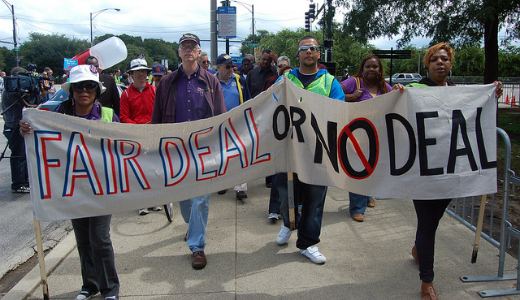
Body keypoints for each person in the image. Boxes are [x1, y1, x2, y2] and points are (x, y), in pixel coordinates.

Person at [394, 42, 503, 300]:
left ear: (450, 64)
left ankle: (418, 250)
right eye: (435, 60)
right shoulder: (413, 90)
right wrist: (397, 94)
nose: (440, 63)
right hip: (424, 171)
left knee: (434, 219)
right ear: (427, 65)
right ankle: (427, 281)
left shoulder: (458, 93)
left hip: (451, 171)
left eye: (444, 59)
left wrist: (492, 93)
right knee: (428, 223)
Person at [20, 64, 120, 300]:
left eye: (89, 87)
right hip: (73, 187)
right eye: (79, 87)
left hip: (101, 187)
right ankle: (90, 285)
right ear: (72, 91)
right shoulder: (56, 117)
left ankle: (110, 289)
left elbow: (123, 146)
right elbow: (35, 128)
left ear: (96, 91)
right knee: (83, 239)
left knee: (100, 239)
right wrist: (27, 128)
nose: (84, 91)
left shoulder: (108, 115)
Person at [152, 33, 226, 270]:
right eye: (184, 46)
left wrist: (220, 146)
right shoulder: (166, 82)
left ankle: (197, 246)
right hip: (176, 150)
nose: (188, 50)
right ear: (179, 52)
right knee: (184, 197)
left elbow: (221, 116)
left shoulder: (211, 82)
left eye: (192, 46)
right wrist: (155, 146)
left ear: (198, 52)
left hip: (203, 149)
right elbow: (157, 118)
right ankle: (193, 226)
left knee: (200, 198)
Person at [273, 36, 345, 264]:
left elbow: (339, 111)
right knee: (286, 193)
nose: (308, 52)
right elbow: (271, 103)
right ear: (298, 55)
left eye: (312, 49)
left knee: (314, 198)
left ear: (318, 54)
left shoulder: (330, 82)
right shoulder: (285, 79)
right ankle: (288, 222)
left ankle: (308, 242)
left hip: (318, 151)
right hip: (289, 150)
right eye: (304, 49)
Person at [341, 54, 391, 222]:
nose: (371, 69)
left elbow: (397, 100)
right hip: (356, 137)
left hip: (378, 136)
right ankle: (357, 208)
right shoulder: (353, 82)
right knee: (357, 170)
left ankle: (368, 194)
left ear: (380, 70)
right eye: (368, 66)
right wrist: (351, 97)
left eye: (375, 67)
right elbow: (333, 95)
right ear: (362, 69)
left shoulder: (385, 87)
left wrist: (400, 91)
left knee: (372, 168)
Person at [120, 57, 163, 216]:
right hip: (136, 136)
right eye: (137, 72)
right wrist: (138, 129)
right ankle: (142, 203)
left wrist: (152, 126)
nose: (141, 75)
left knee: (155, 169)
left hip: (153, 133)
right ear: (131, 74)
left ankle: (155, 200)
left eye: (143, 72)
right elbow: (124, 116)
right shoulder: (125, 94)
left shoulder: (154, 91)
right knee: (139, 170)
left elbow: (159, 111)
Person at [215, 53, 251, 201]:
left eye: (232, 66)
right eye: (227, 66)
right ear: (218, 67)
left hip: (238, 123)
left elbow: (248, 99)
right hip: (219, 124)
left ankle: (240, 187)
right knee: (221, 156)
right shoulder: (212, 81)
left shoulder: (239, 80)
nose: (231, 69)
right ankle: (223, 183)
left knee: (241, 154)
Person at [246, 49, 278, 191]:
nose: (265, 62)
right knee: (250, 146)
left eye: (268, 60)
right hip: (253, 114)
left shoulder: (274, 73)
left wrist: (276, 61)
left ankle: (269, 178)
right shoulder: (252, 74)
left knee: (269, 146)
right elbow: (246, 93)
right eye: (263, 59)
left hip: (270, 114)